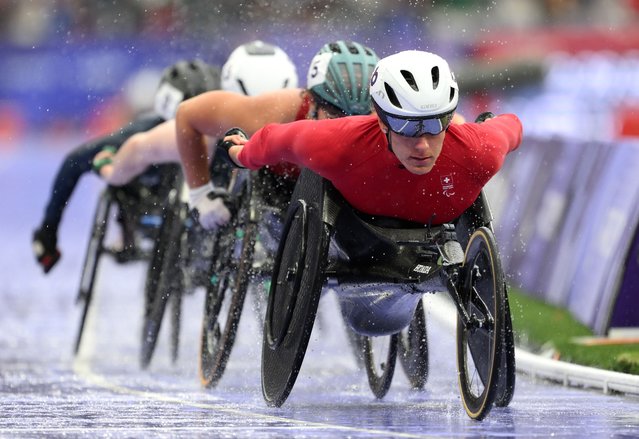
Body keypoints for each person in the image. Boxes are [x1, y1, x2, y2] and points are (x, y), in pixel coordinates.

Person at [210, 50, 522, 229]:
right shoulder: (341, 142)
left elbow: (510, 127)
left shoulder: (480, 148)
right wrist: (239, 153)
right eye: (407, 127)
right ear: (380, 118)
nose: (423, 145)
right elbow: (277, 140)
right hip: (356, 231)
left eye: (434, 125)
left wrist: (489, 124)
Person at [32, 59, 222, 274]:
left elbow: (75, 161)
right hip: (148, 198)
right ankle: (127, 228)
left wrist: (49, 229)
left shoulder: (148, 132)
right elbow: (75, 161)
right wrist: (49, 228)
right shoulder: (144, 132)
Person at [176, 40, 381, 230]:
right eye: (336, 114)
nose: (348, 126)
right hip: (275, 181)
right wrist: (200, 194)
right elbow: (187, 115)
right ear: (312, 102)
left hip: (339, 195)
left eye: (362, 118)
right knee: (153, 147)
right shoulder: (277, 112)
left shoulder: (391, 130)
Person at [95, 40, 300, 186]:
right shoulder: (208, 121)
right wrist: (200, 194)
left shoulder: (300, 118)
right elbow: (139, 146)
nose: (258, 123)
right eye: (252, 109)